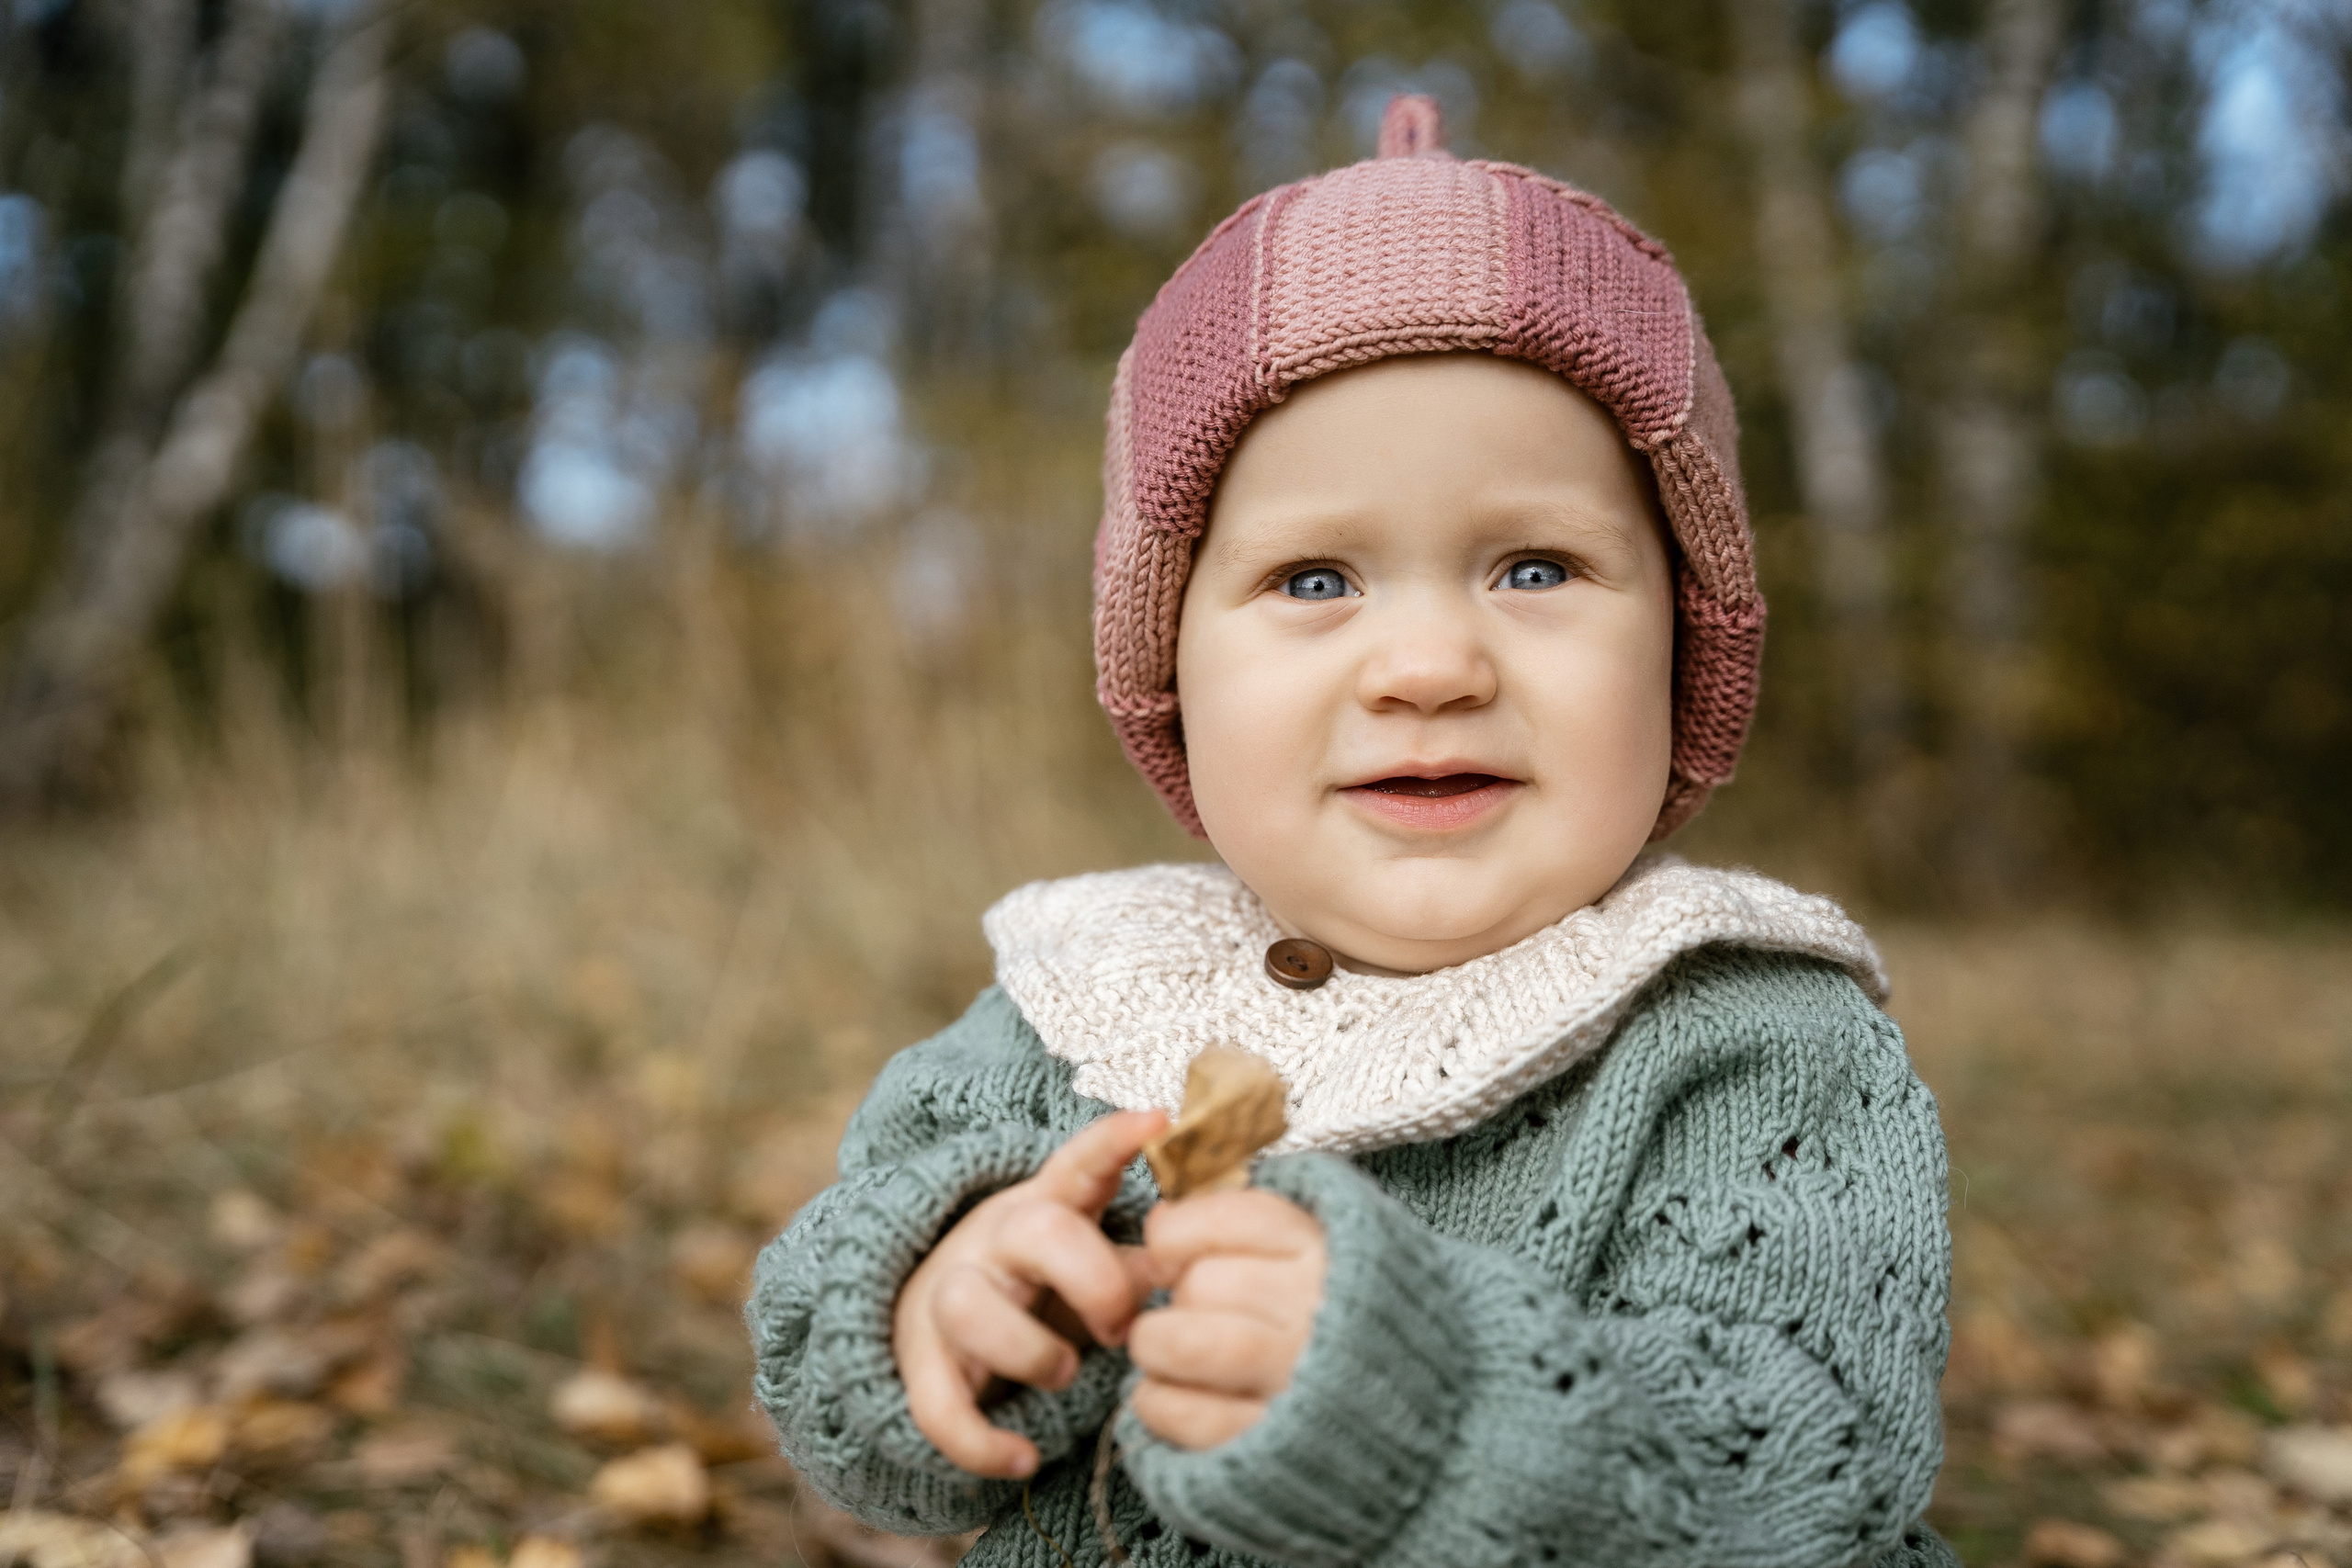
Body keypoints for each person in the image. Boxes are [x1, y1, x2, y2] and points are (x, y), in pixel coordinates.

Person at [747, 96, 1954, 1568]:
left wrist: (1431, 1407)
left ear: (1685, 647)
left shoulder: (1758, 1038)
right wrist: (930, 1310)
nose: (1430, 665)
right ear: (1172, 676)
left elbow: (1818, 1467)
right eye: (1316, 581)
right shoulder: (1074, 1011)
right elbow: (847, 1397)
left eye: (1536, 566)